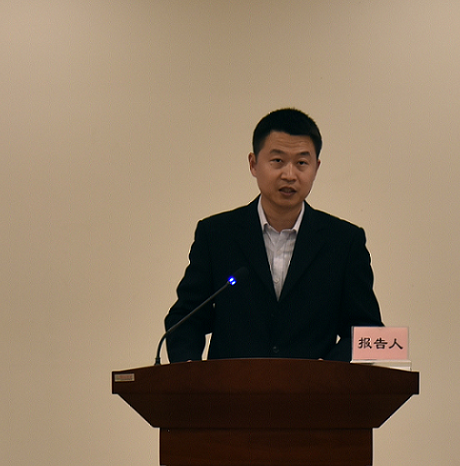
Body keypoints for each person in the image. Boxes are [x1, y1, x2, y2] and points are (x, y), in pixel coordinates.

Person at [162, 108, 383, 363]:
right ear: (253, 164)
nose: (289, 175)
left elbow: (369, 333)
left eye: (301, 163)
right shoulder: (216, 235)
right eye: (277, 161)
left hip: (314, 388)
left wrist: (326, 374)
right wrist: (191, 373)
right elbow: (185, 318)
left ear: (316, 168)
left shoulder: (344, 242)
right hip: (231, 387)